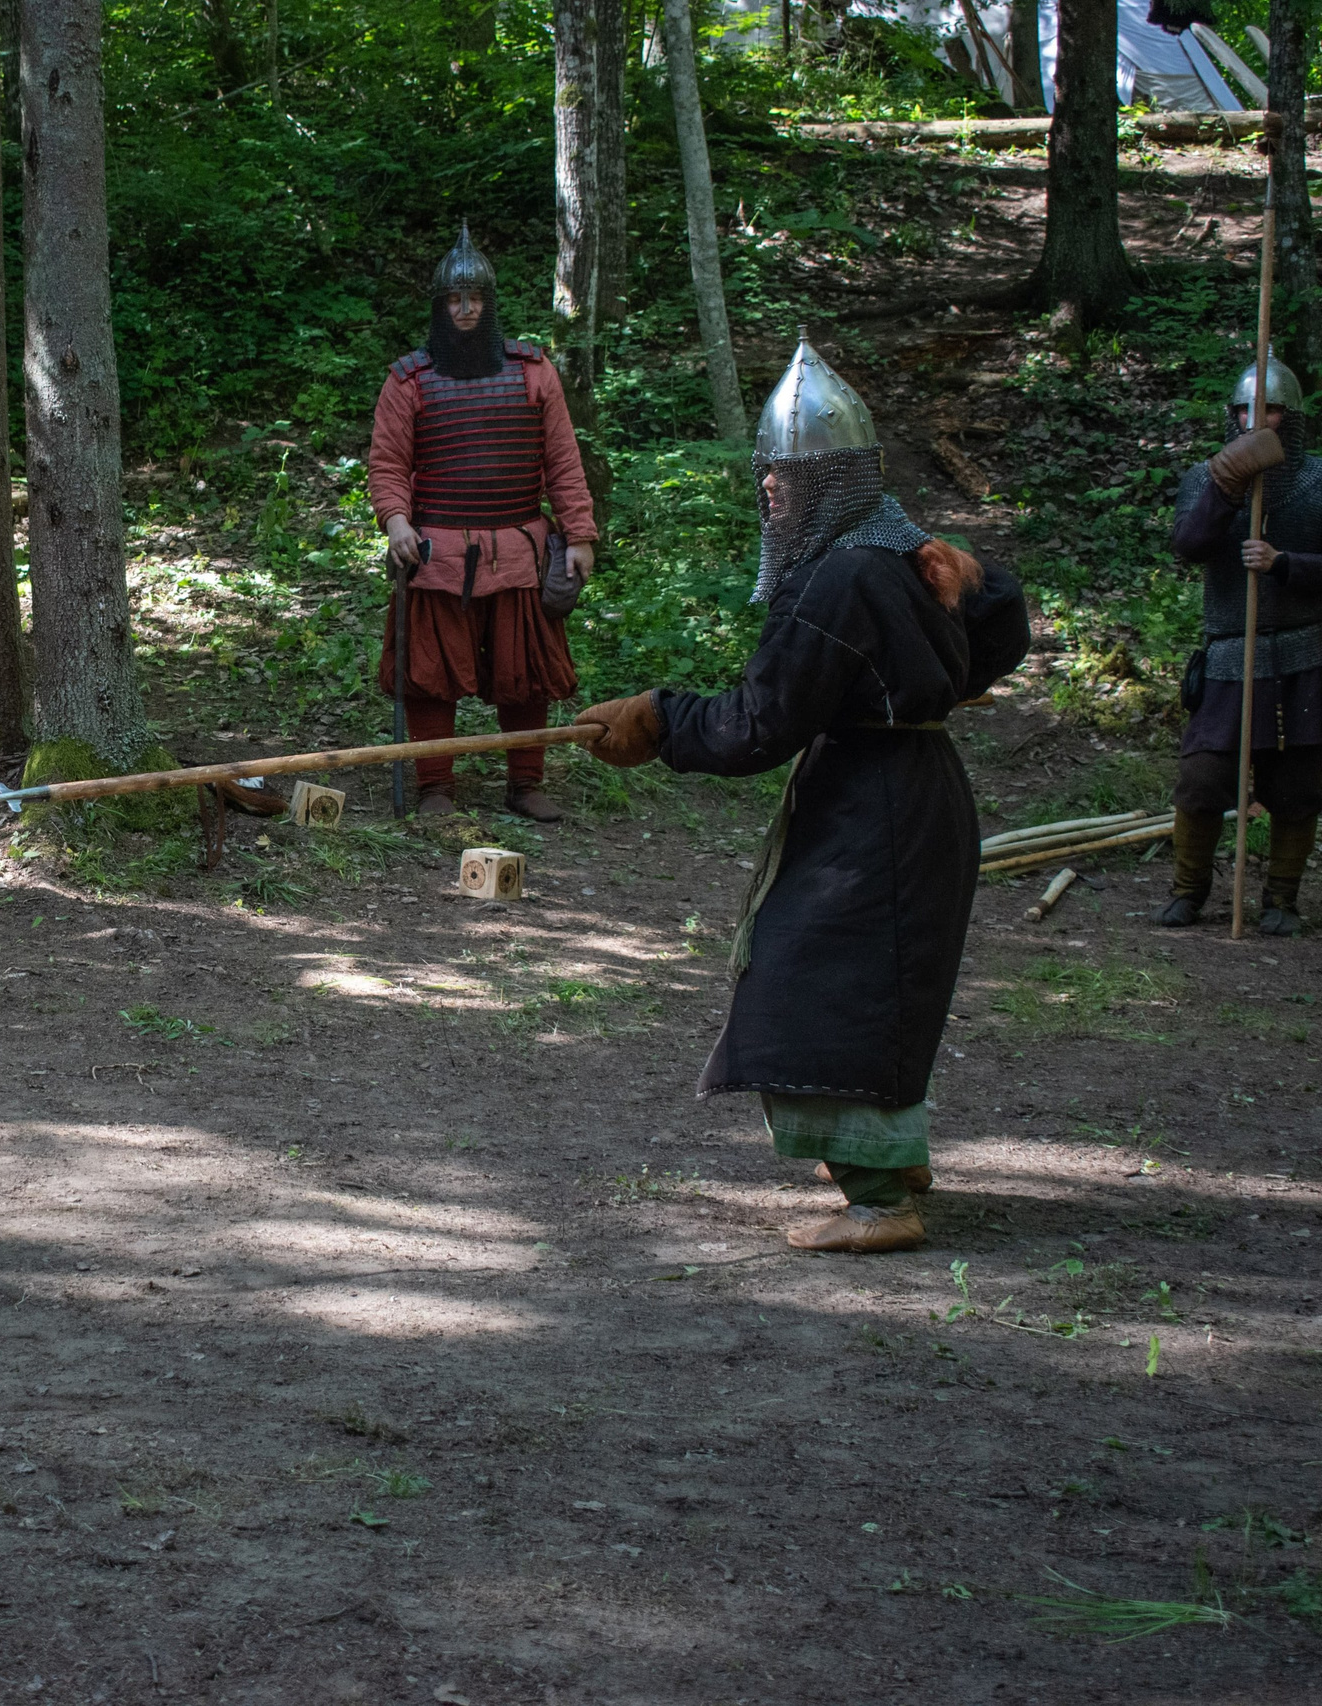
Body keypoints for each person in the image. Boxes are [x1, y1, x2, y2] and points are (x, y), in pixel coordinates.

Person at [578, 334, 1029, 1255]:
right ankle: (892, 1161)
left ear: (830, 478)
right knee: (875, 982)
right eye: (769, 474)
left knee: (819, 983)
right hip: (905, 796)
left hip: (879, 812)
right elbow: (1001, 613)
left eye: (785, 474)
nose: (770, 488)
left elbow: (758, 722)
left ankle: (881, 1201)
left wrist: (659, 718)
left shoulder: (843, 577)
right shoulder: (904, 550)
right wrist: (932, 684)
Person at [370, 225, 598, 823]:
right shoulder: (409, 381)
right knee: (430, 675)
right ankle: (435, 787)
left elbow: (563, 460)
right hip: (437, 553)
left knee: (526, 673)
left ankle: (525, 782)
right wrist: (396, 521)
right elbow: (388, 463)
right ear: (441, 305)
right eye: (455, 298)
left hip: (519, 551)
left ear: (489, 303)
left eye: (474, 298)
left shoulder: (533, 371)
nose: (466, 308)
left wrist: (578, 535)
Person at [1160, 355, 1322, 936]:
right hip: (1231, 654)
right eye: (1247, 410)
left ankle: (1281, 900)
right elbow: (1189, 546)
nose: (1258, 420)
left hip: (1304, 657)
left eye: (1270, 410)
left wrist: (1286, 564)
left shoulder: (1318, 481)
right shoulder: (1205, 479)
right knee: (1202, 780)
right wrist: (1227, 487)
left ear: (1290, 417)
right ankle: (1188, 892)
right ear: (1232, 416)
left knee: (1298, 787)